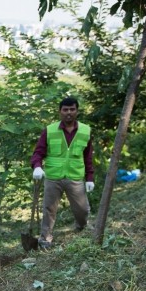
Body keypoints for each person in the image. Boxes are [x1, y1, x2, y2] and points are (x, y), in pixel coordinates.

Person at [30, 97, 94, 249]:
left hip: (75, 176)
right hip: (53, 177)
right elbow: (38, 152)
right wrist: (37, 166)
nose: (69, 112)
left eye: (72, 109)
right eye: (65, 109)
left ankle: (82, 226)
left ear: (77, 111)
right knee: (49, 209)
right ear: (60, 112)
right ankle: (45, 238)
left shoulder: (86, 131)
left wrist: (90, 177)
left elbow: (88, 157)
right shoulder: (50, 130)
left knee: (83, 209)